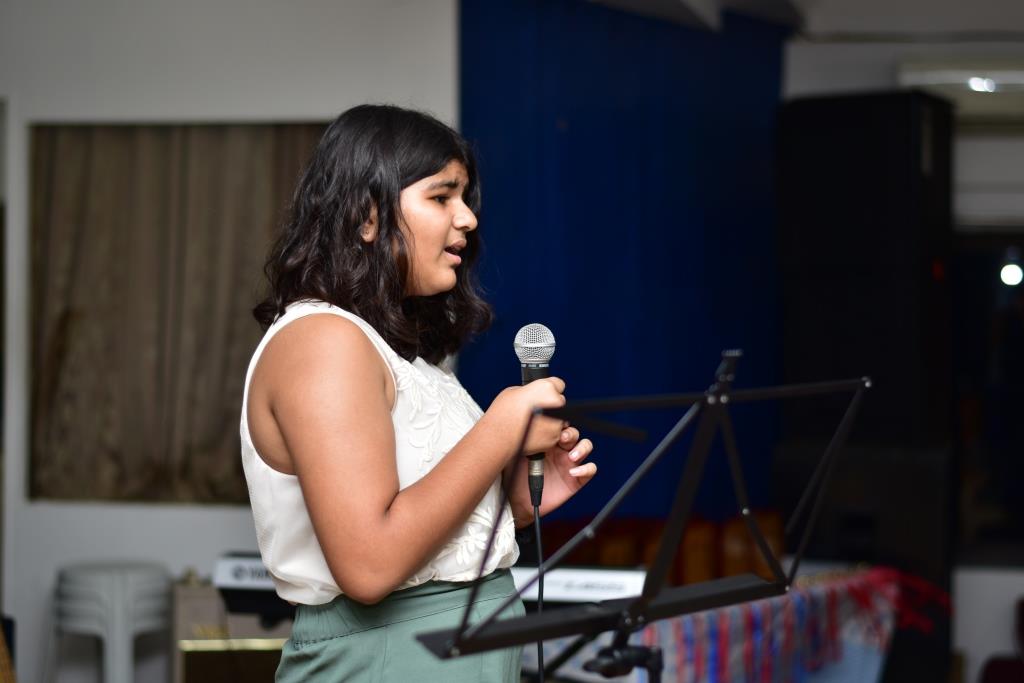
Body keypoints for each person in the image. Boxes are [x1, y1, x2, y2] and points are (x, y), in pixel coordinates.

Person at [240, 104, 597, 682]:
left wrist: (510, 506)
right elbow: (368, 565)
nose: (468, 219)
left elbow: (422, 529)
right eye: (441, 196)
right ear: (366, 216)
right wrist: (500, 430)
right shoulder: (322, 340)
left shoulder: (400, 354)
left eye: (465, 198)